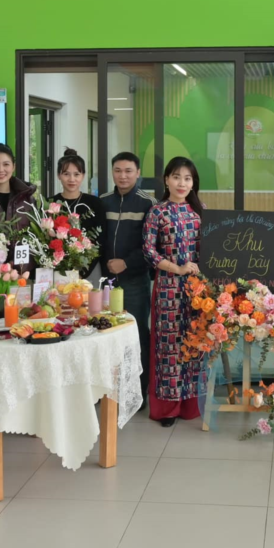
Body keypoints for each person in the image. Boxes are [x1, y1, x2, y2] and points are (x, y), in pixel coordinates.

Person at [142, 157, 206, 427]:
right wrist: (177, 268)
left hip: (197, 290)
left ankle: (190, 404)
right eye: (177, 177)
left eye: (187, 178)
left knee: (194, 343)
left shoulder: (200, 211)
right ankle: (167, 408)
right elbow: (148, 250)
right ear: (166, 179)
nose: (182, 183)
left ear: (193, 183)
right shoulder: (157, 212)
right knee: (168, 347)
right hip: (168, 287)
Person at [100, 151, 155, 401]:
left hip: (135, 281)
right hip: (106, 281)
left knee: (137, 335)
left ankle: (136, 394)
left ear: (138, 173)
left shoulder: (148, 203)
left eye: (128, 171)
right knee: (105, 333)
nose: (123, 176)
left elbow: (151, 246)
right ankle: (108, 392)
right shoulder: (103, 202)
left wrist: (126, 263)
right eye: (118, 170)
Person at [51, 148, 103, 278]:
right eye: (66, 174)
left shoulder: (95, 203)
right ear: (58, 175)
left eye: (76, 174)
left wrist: (82, 272)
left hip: (89, 271)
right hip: (56, 270)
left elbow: (100, 240)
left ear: (83, 175)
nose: (71, 179)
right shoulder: (50, 203)